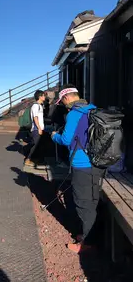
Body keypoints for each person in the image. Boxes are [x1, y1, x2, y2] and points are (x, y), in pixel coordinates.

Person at [50, 85, 102, 253]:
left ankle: (88, 242)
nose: (64, 105)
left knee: (82, 202)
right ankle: (90, 234)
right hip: (97, 163)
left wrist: (54, 136)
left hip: (81, 163)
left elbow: (66, 139)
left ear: (67, 98)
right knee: (92, 199)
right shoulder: (93, 109)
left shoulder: (74, 114)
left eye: (63, 101)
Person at [24, 90, 46, 166]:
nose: (44, 97)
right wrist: (39, 128)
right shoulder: (35, 106)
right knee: (34, 145)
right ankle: (28, 159)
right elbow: (35, 118)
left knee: (38, 145)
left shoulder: (40, 105)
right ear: (40, 97)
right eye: (43, 95)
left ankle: (34, 159)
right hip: (36, 129)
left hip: (40, 128)